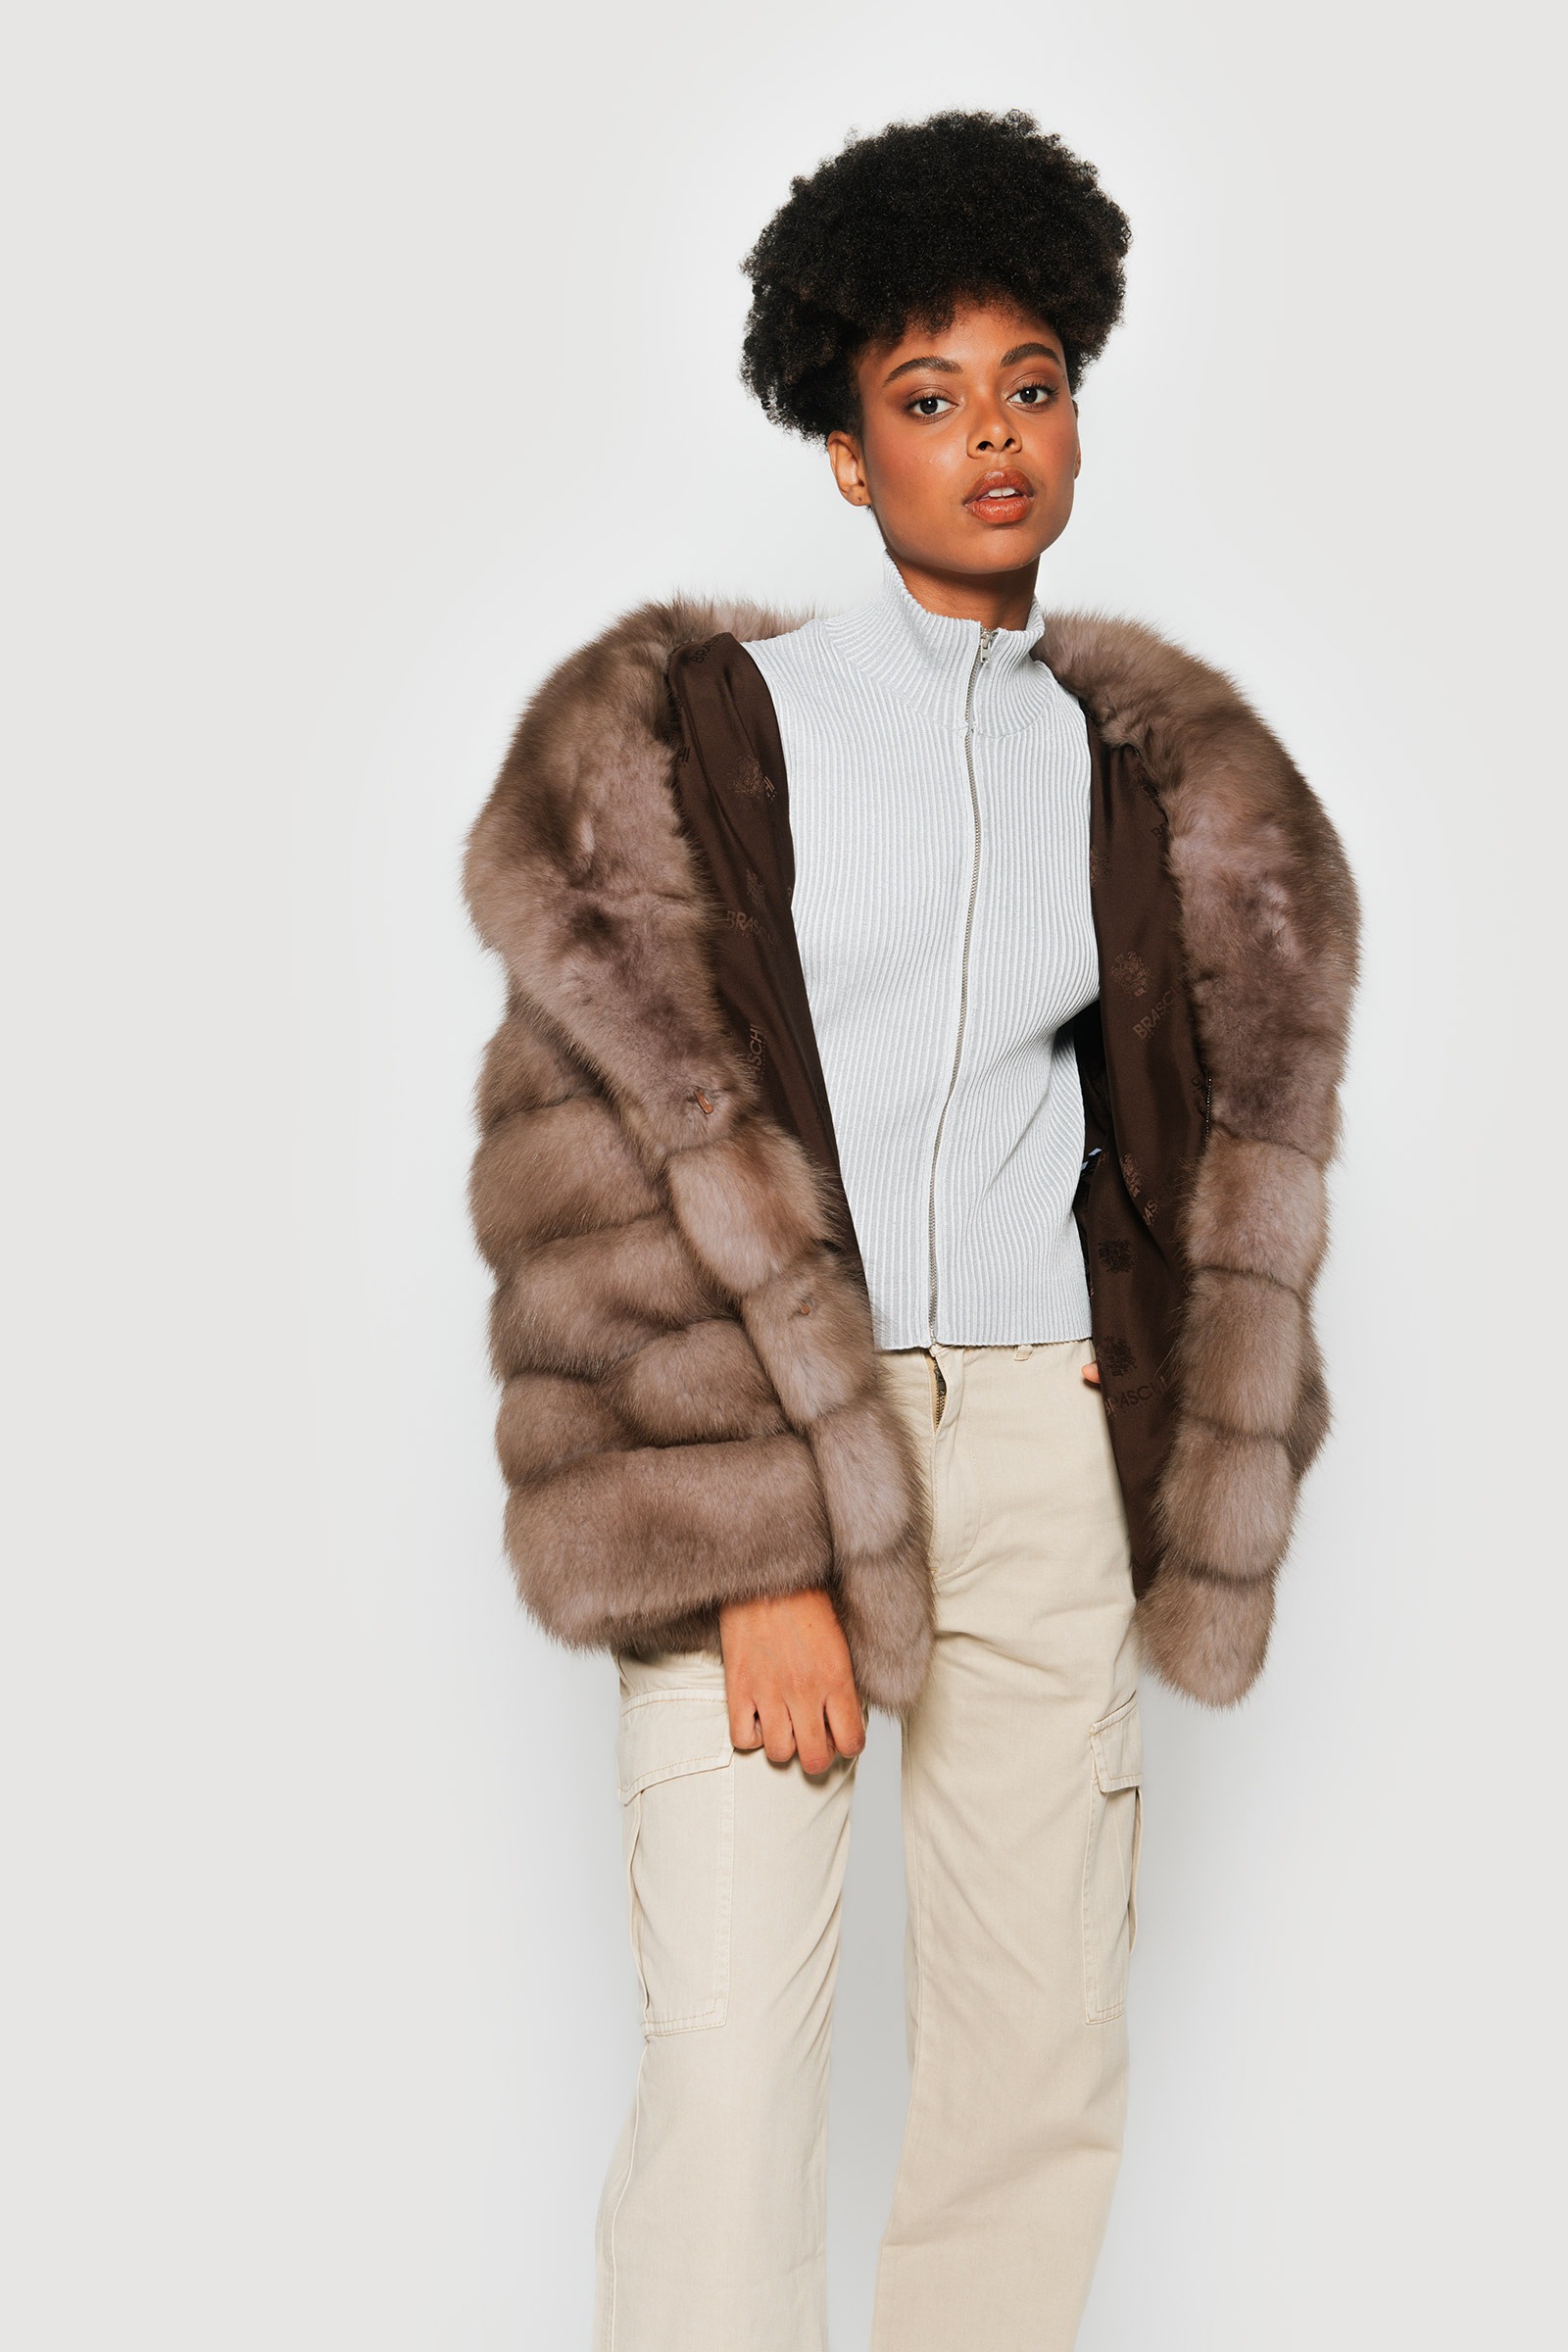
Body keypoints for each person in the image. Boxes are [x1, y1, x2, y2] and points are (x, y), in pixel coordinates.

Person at [463, 109, 1358, 2352]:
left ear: (1077, 416)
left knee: (1029, 2072)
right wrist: (757, 1538)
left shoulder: (1143, 775)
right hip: (764, 1449)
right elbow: (593, 1167)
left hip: (1041, 1458)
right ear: (842, 451)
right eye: (927, 395)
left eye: (1028, 385)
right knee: (731, 2082)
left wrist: (1135, 1394)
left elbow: (1185, 1144)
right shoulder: (700, 736)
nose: (990, 439)